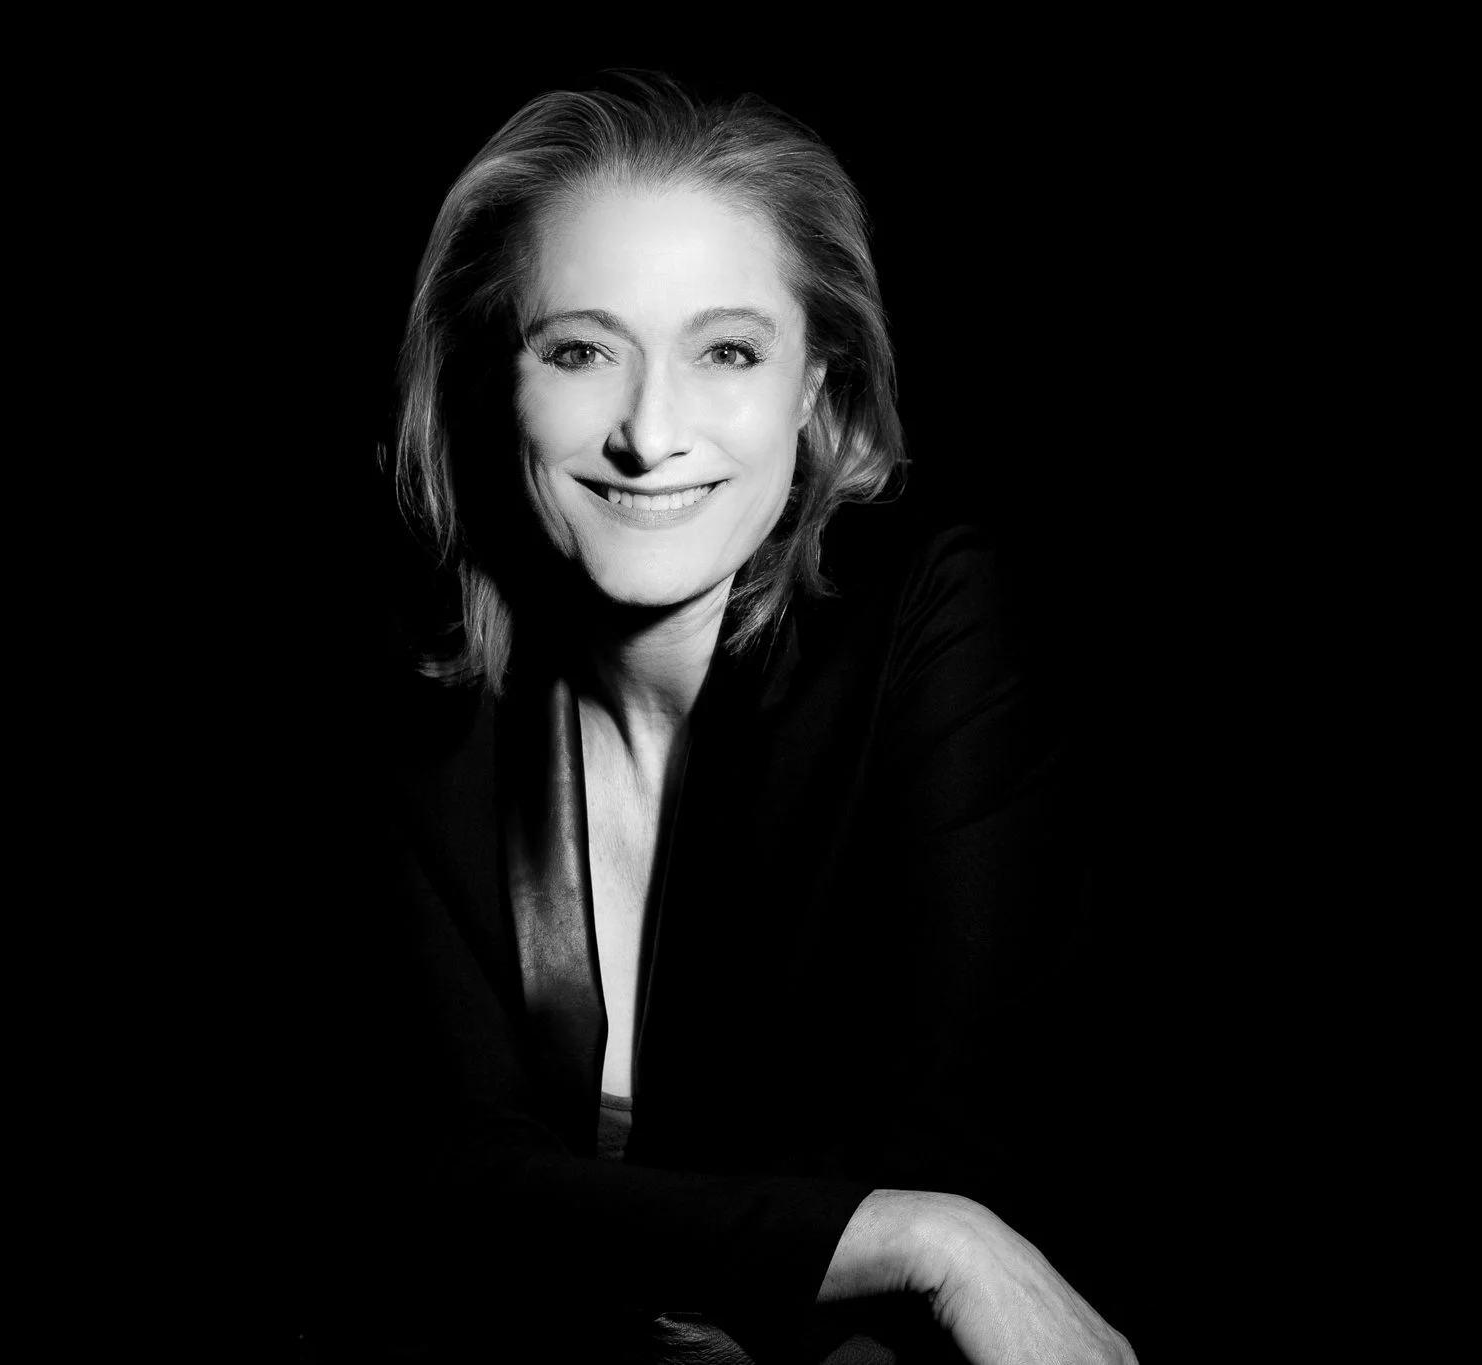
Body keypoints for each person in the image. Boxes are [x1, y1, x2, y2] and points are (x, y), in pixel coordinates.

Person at [378, 72, 1137, 1364]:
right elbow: (432, 1175)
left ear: (816, 389)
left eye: (726, 351)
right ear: (489, 378)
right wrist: (921, 1241)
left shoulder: (933, 624)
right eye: (580, 350)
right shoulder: (410, 694)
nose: (650, 432)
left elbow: (974, 1128)